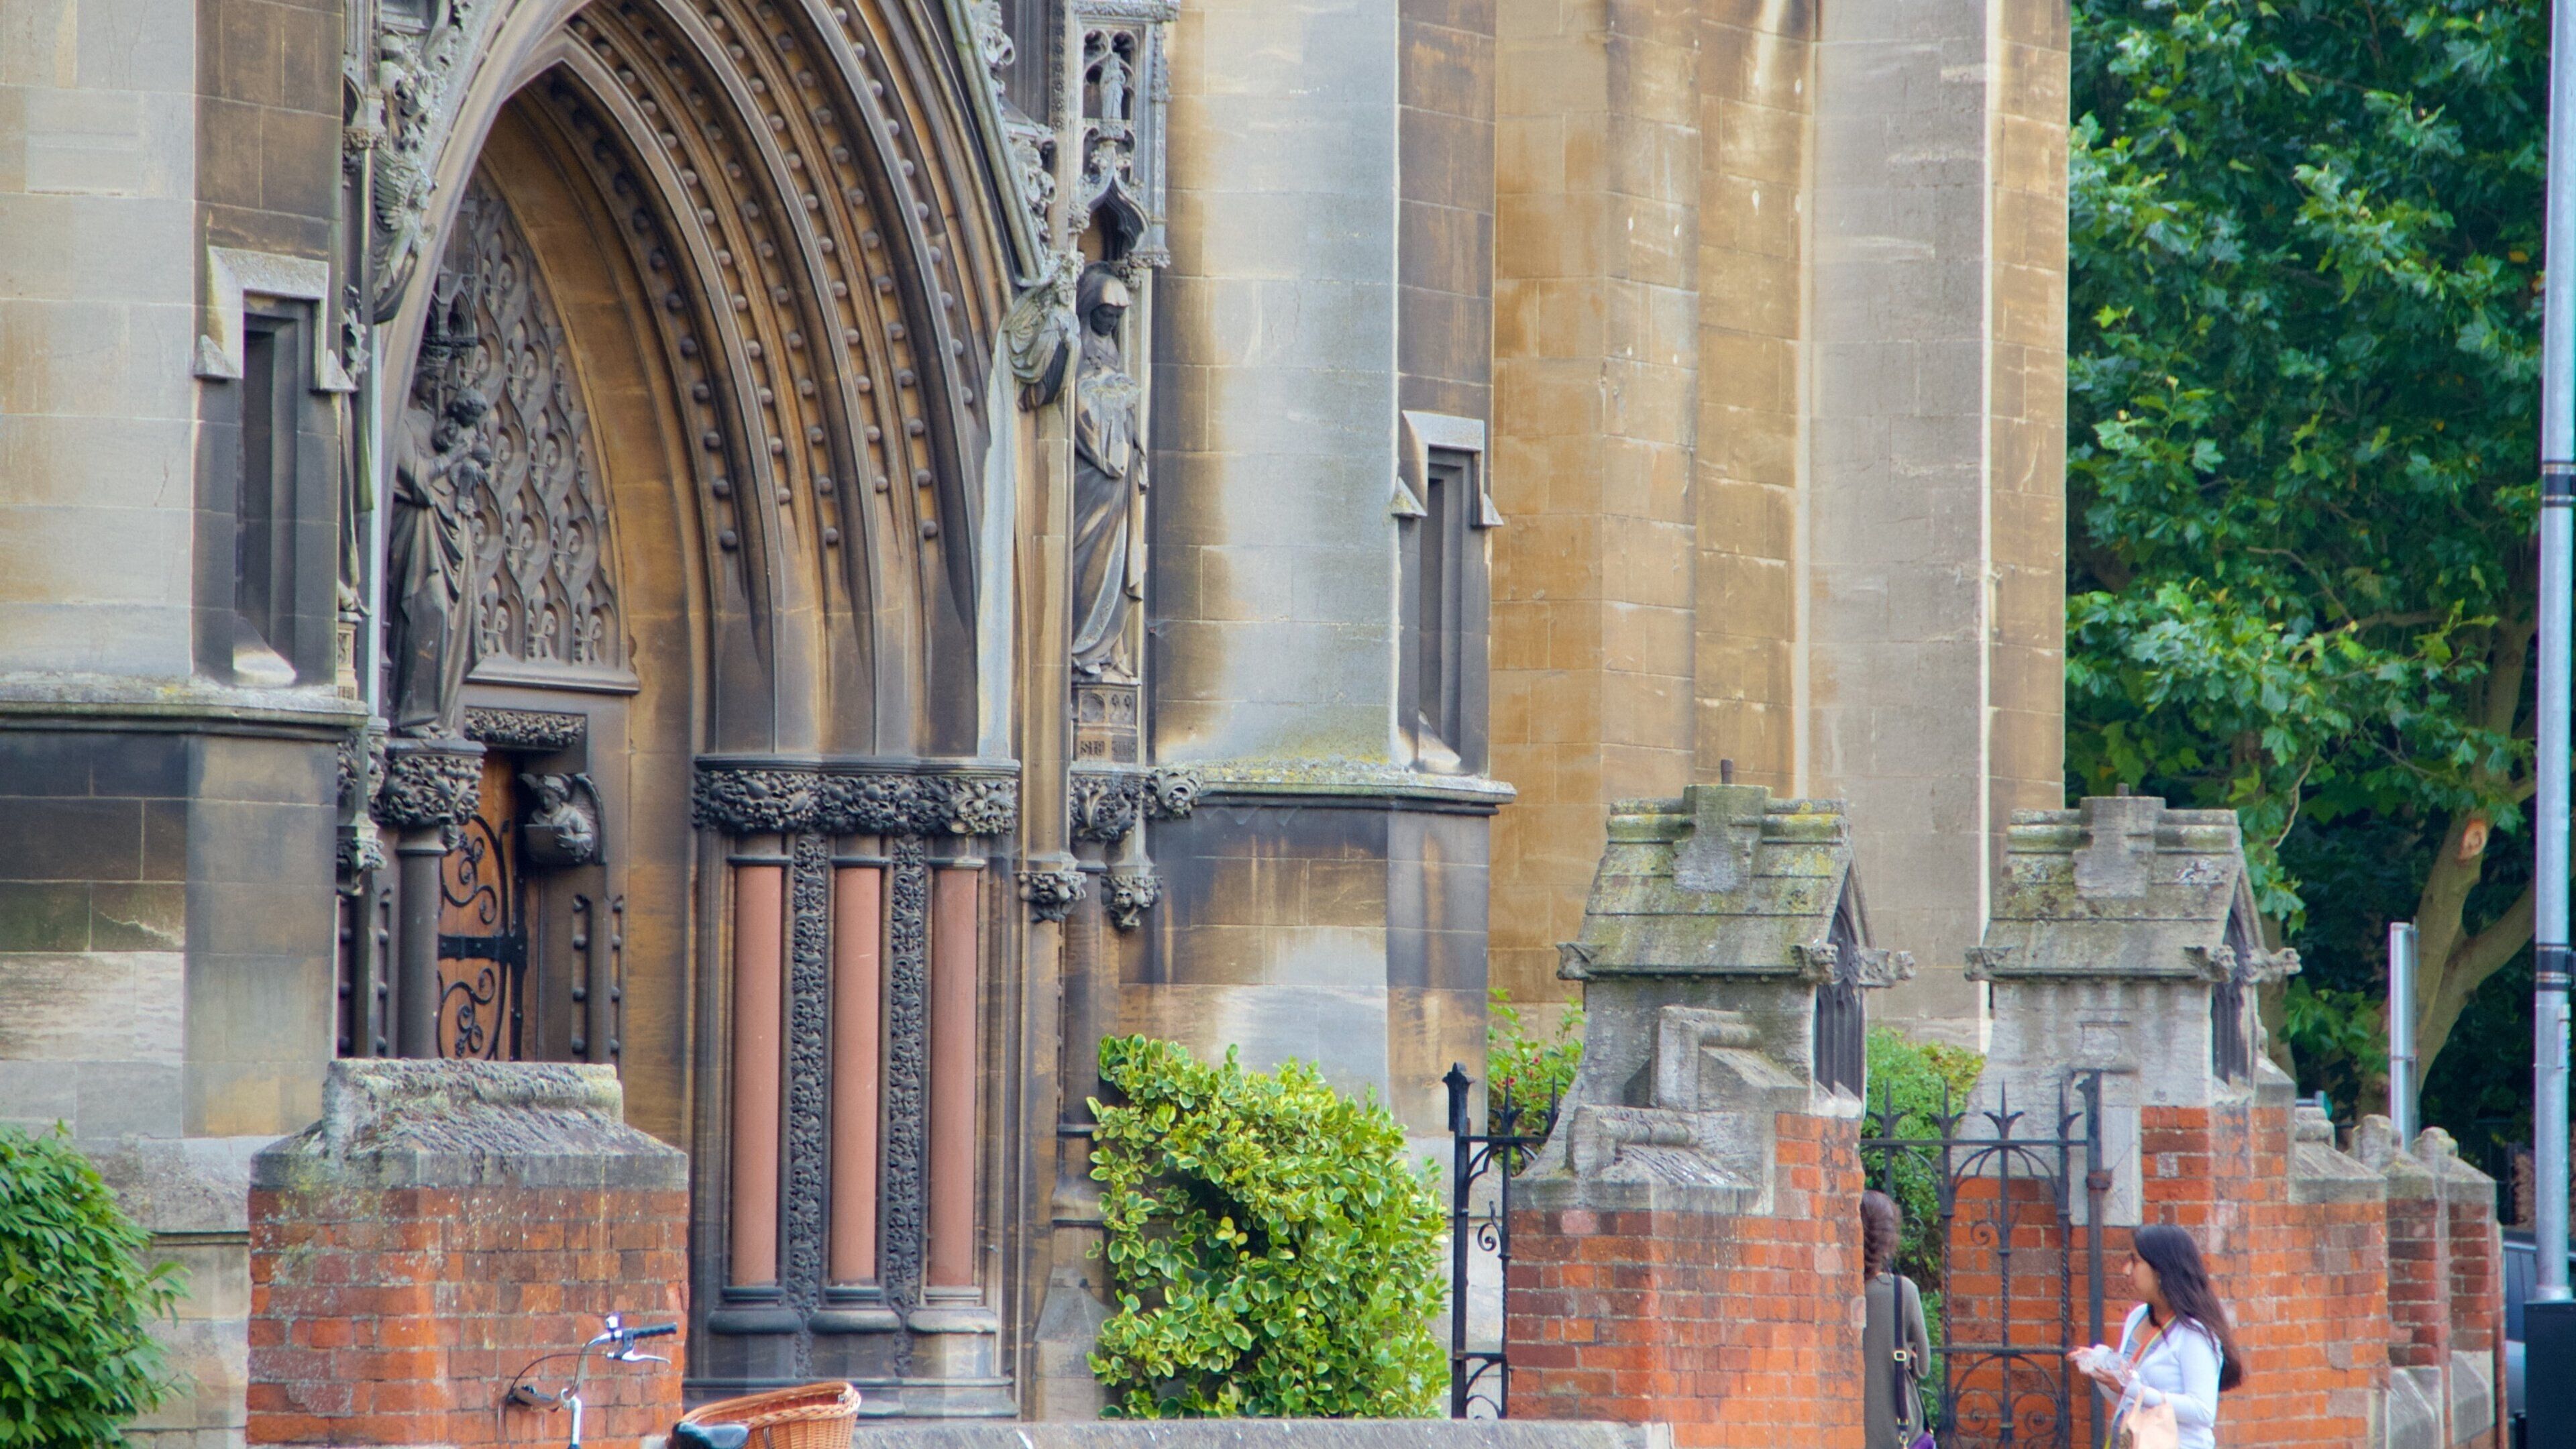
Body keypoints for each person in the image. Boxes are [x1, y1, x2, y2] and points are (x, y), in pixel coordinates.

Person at [2068, 1224, 2246, 1449]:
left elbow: (2203, 1411)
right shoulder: (2137, 1317)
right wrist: (2100, 1366)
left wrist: (2133, 1389)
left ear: (2162, 1269)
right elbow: (2128, 1400)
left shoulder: (2193, 1333)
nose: (2126, 1270)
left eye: (2136, 1261)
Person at [1860, 1189, 1931, 1449]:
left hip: (1853, 1429)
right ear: (1888, 1238)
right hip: (1898, 1429)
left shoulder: (1837, 1296)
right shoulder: (1903, 1291)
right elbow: (1923, 1367)